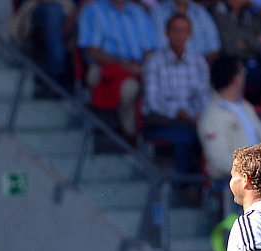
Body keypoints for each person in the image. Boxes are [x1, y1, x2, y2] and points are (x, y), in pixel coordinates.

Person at [142, 14, 210, 187]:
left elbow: (203, 96)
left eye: (184, 31)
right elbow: (153, 101)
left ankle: (207, 188)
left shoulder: (198, 61)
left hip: (192, 120)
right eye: (175, 30)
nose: (179, 35)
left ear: (190, 34)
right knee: (186, 137)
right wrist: (180, 114)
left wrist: (196, 115)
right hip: (162, 120)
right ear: (166, 32)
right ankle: (182, 187)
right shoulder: (154, 61)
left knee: (210, 134)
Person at [77, 0, 158, 139]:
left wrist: (146, 67)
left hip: (137, 67)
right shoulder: (92, 10)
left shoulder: (138, 12)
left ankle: (142, 136)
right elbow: (92, 52)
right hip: (103, 66)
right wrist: (124, 64)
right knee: (129, 87)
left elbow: (149, 49)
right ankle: (128, 134)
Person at [198, 56, 261, 182]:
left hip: (260, 178)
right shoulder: (211, 116)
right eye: (243, 72)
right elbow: (219, 161)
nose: (245, 77)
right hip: (232, 183)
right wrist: (254, 172)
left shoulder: (246, 107)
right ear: (235, 79)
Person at [150, 0, 222, 62]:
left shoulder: (201, 13)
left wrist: (200, 65)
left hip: (198, 66)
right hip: (165, 65)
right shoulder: (157, 13)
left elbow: (214, 49)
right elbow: (157, 48)